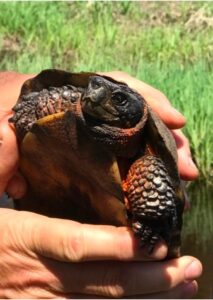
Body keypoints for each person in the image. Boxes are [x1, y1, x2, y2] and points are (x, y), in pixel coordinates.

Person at [0, 71, 202, 298]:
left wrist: (152, 221)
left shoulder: (144, 162)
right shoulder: (67, 101)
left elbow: (158, 196)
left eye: (119, 100)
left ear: (139, 115)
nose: (96, 93)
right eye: (93, 88)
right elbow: (40, 102)